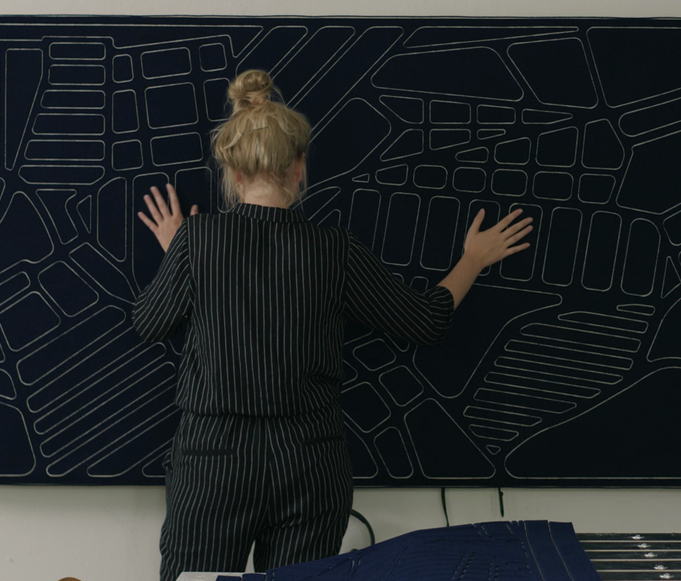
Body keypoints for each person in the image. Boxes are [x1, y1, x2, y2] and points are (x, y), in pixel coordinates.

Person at [132, 69, 533, 581]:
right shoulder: (334, 251)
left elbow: (149, 324)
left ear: (232, 172)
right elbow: (428, 320)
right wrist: (473, 259)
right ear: (299, 166)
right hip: (309, 463)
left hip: (213, 462)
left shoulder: (195, 241)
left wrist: (180, 256)